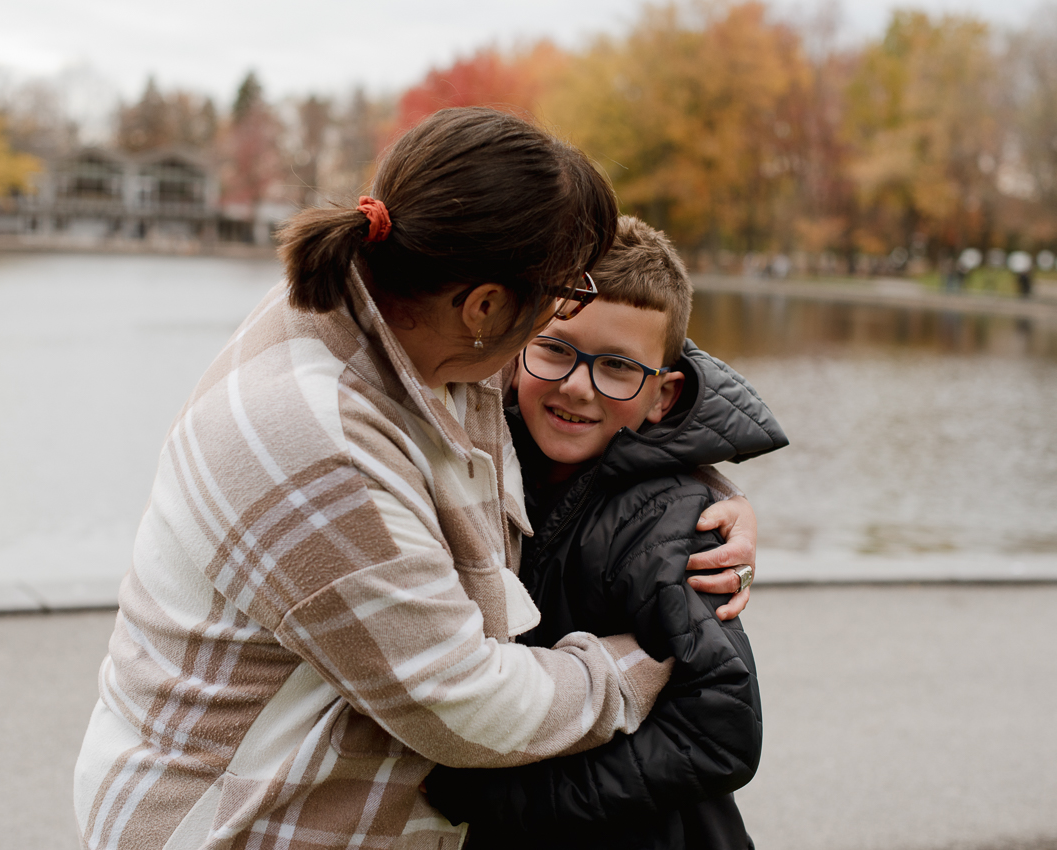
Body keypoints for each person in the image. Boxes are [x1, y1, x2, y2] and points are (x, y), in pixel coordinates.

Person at [73, 108, 759, 850]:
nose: (566, 311)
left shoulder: (404, 317)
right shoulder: (318, 441)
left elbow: (614, 380)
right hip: (241, 824)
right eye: (561, 291)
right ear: (486, 307)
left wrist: (699, 491)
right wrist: (640, 661)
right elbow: (467, 706)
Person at [425, 217, 789, 849]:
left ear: (664, 396)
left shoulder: (673, 525)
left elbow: (719, 733)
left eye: (617, 368)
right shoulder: (485, 445)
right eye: (555, 349)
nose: (576, 386)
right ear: (516, 344)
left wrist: (507, 804)